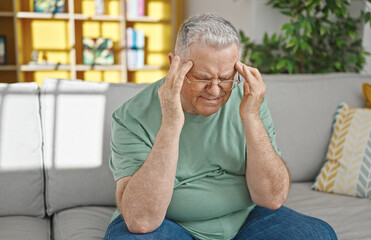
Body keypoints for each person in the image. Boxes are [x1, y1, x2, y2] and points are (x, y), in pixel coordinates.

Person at [104, 13, 337, 240]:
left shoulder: (248, 100)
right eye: (203, 78)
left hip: (246, 219)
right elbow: (141, 220)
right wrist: (171, 124)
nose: (215, 91)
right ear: (174, 65)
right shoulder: (131, 117)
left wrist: (251, 117)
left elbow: (273, 198)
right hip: (168, 223)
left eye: (226, 78)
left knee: (318, 234)